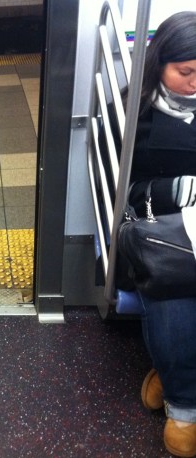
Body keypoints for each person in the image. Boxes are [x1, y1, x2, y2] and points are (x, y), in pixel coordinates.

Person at [126, 11, 196, 458]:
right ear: (160, 64)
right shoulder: (137, 112)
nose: (195, 83)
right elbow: (125, 194)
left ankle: (169, 375)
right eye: (186, 72)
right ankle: (184, 407)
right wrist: (176, 189)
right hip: (165, 231)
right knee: (176, 294)